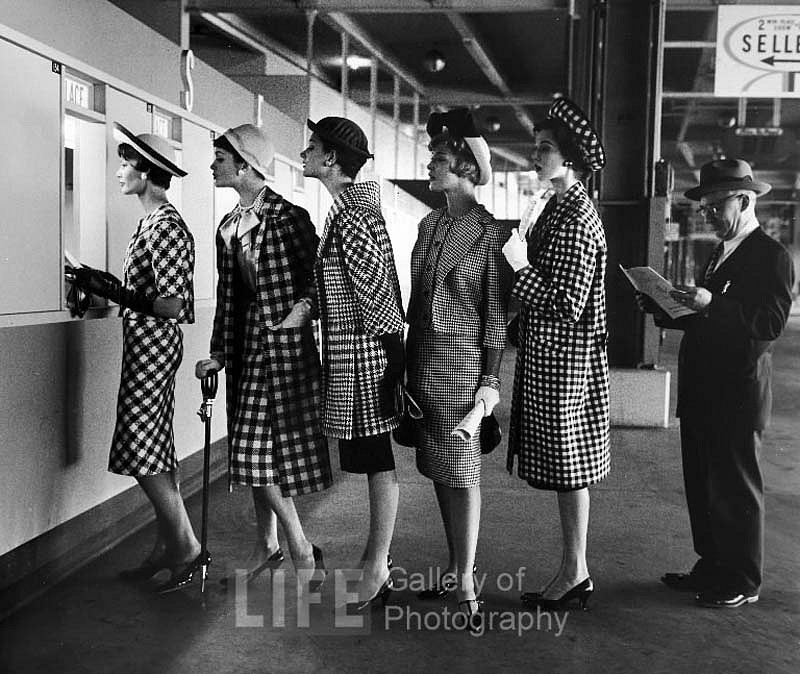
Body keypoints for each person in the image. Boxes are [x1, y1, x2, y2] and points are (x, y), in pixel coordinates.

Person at [638, 158, 793, 608]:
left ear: (743, 201)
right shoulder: (721, 250)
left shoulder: (772, 256)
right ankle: (712, 564)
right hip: (704, 388)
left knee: (736, 487)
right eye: (704, 208)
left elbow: (768, 326)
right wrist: (663, 306)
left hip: (737, 393)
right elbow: (709, 320)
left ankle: (743, 578)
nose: (706, 216)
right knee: (704, 483)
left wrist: (711, 305)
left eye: (713, 207)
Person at [195, 124, 331, 589]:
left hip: (286, 349)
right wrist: (218, 353)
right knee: (251, 450)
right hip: (249, 347)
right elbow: (228, 296)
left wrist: (302, 312)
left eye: (219, 158)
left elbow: (319, 282)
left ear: (246, 165)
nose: (212, 165)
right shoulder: (228, 225)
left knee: (257, 450)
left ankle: (296, 544)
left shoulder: (290, 218)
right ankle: (267, 544)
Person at [68, 123, 201, 593]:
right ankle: (167, 546)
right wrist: (97, 279)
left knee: (138, 444)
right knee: (155, 445)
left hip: (154, 344)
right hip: (147, 343)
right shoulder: (150, 224)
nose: (120, 171)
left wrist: (113, 289)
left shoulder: (165, 225)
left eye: (126, 164)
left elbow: (170, 304)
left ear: (147, 173)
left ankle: (186, 547)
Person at [502, 98, 610, 611]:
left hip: (567, 361)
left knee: (571, 469)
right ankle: (574, 569)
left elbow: (567, 303)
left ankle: (575, 572)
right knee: (566, 470)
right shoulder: (555, 205)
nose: (535, 155)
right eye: (537, 146)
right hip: (551, 356)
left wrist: (521, 267)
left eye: (545, 148)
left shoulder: (579, 216)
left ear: (570, 160)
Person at [405, 108, 505, 628]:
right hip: (423, 361)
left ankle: (466, 578)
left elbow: (495, 316)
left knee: (463, 472)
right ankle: (453, 566)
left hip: (463, 364)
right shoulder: (430, 223)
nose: (430, 166)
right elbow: (417, 296)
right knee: (438, 469)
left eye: (439, 161)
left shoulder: (488, 234)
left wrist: (489, 380)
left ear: (467, 169)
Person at [300, 117, 405, 609]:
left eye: (312, 147)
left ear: (332, 160)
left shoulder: (355, 216)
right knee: (369, 459)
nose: (305, 154)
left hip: (366, 355)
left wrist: (390, 364)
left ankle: (377, 565)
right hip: (353, 353)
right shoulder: (344, 212)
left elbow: (377, 296)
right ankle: (374, 564)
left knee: (376, 459)